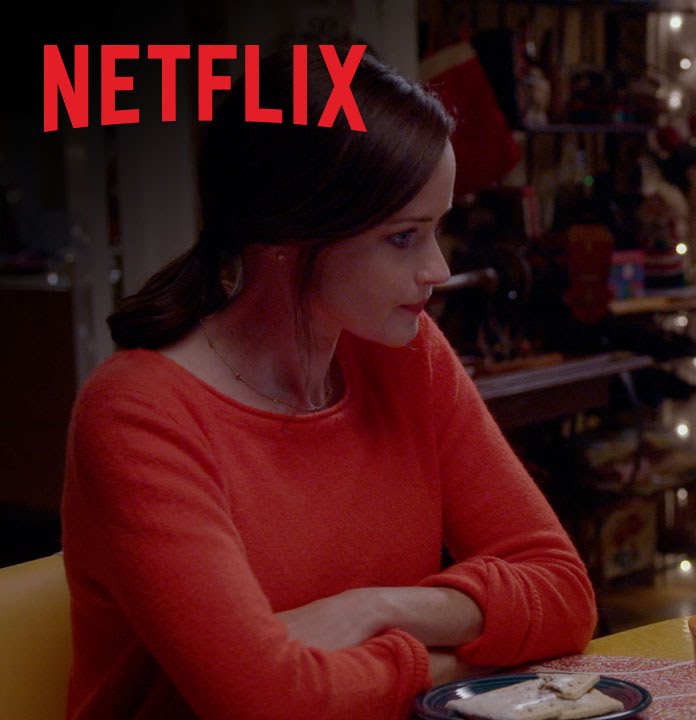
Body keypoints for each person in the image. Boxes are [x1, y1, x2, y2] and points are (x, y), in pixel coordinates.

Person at [60, 45, 596, 719]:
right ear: (283, 236)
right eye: (403, 237)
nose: (436, 268)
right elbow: (268, 702)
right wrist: (460, 662)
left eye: (437, 228)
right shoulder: (137, 415)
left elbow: (565, 594)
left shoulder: (407, 356)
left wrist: (373, 610)